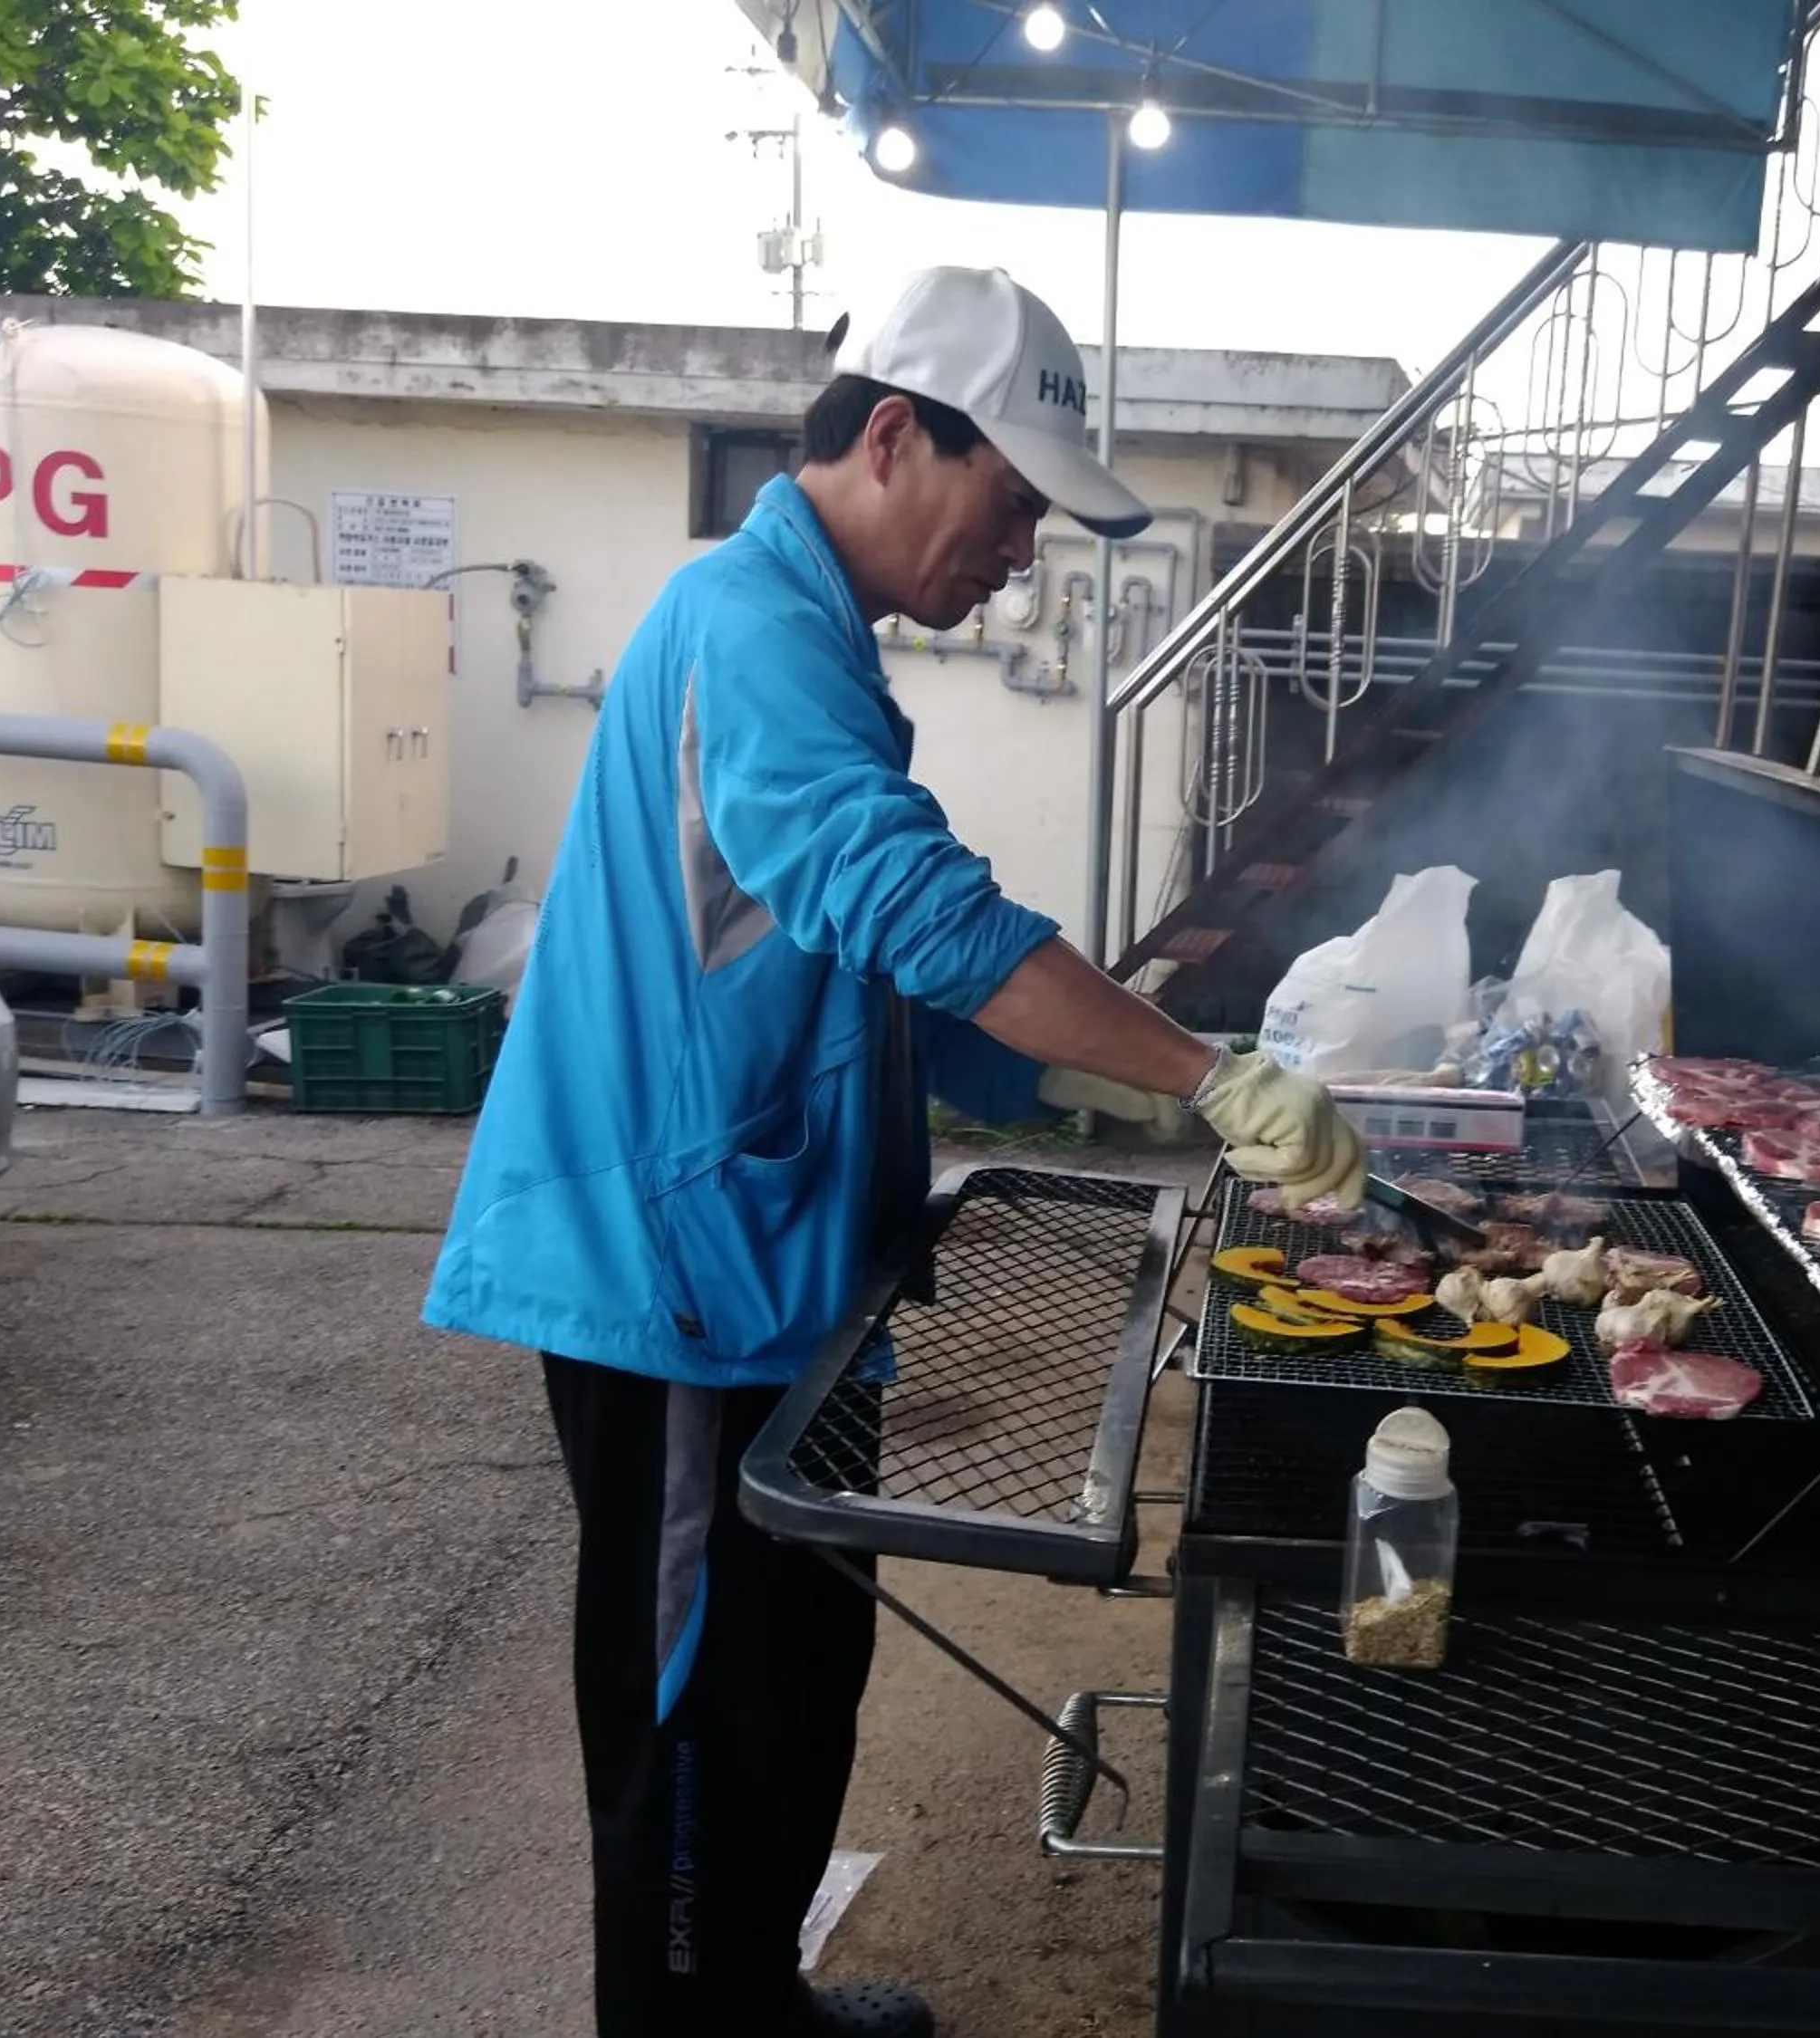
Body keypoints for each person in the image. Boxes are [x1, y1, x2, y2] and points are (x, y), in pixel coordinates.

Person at [422, 264, 1366, 2038]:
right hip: (676, 1285)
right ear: (889, 438)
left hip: (780, 1265)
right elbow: (906, 904)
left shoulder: (814, 636)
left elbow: (852, 967)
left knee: (798, 1672)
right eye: (1011, 503)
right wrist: (1199, 1069)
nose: (1022, 552)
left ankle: (757, 2003)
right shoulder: (746, 623)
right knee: (694, 1712)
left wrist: (1050, 1102)